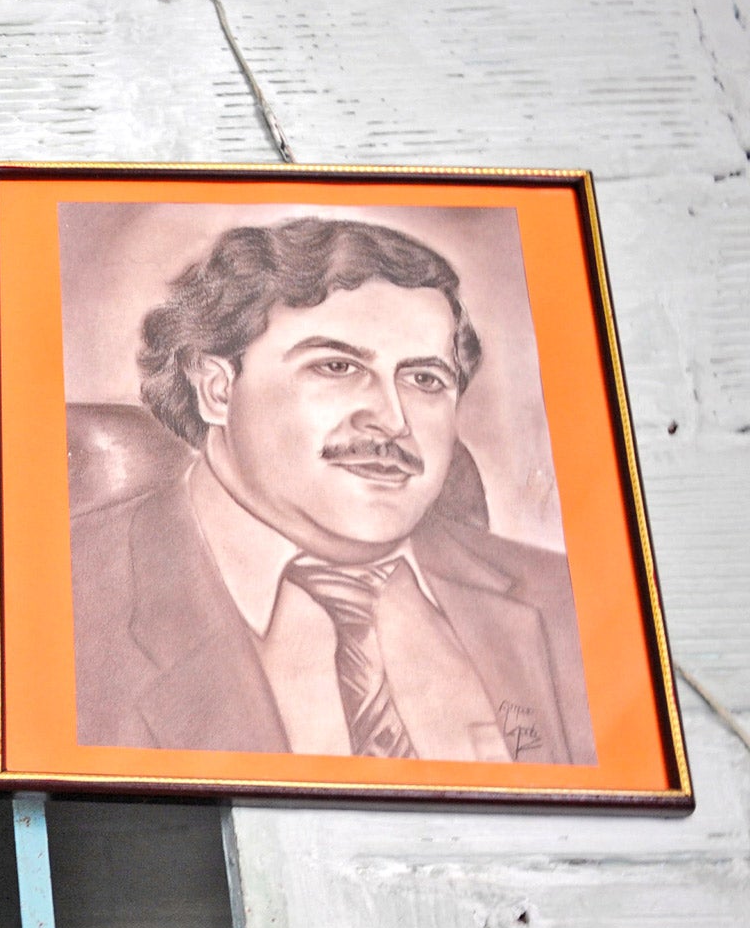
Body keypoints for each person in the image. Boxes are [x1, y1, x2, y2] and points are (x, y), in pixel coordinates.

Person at [71, 216, 595, 764]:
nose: (393, 420)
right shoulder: (69, 604)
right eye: (338, 366)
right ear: (217, 389)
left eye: (425, 380)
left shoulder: (561, 601)